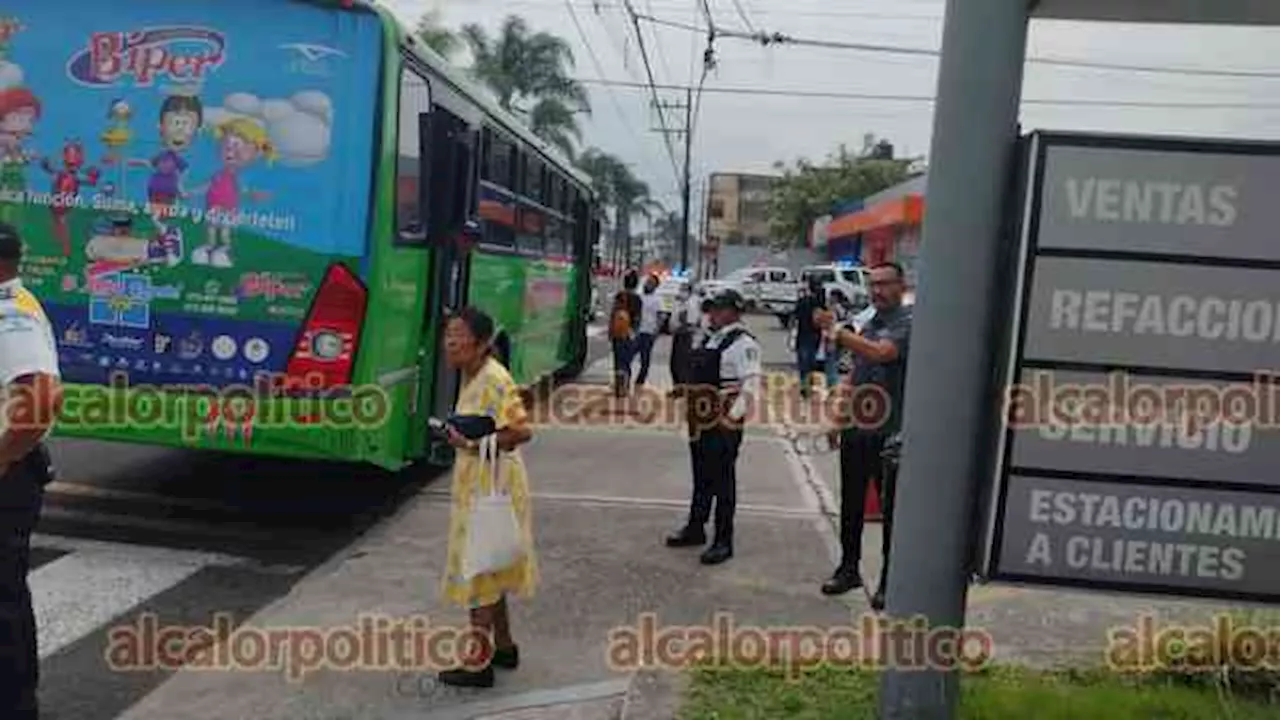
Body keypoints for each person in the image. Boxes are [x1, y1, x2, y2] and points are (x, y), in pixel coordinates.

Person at [437, 306, 538, 688]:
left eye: (458, 335)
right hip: (479, 483)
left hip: (492, 485)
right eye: (448, 334)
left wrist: (475, 443)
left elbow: (522, 431)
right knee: (490, 566)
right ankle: (505, 646)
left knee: (478, 569)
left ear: (480, 344)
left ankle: (477, 664)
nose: (450, 342)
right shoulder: (470, 375)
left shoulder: (495, 379)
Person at [816, 262, 912, 609]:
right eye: (873, 285)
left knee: (892, 512)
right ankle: (848, 568)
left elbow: (882, 354)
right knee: (852, 505)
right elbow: (855, 374)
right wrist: (839, 418)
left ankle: (891, 579)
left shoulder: (908, 323)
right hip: (858, 429)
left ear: (901, 285)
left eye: (885, 284)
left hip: (891, 435)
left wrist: (838, 332)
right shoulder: (870, 324)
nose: (877, 291)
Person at [0, 222, 62, 719]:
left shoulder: (9, 317)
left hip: (9, 475)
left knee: (2, 601)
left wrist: (1, 457)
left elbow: (41, 399)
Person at [666, 289, 761, 565]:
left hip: (723, 421)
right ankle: (696, 527)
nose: (713, 314)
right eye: (711, 310)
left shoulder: (743, 344)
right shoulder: (710, 338)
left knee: (723, 482)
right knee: (701, 477)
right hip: (700, 419)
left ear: (734, 311)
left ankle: (723, 540)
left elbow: (751, 385)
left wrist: (733, 418)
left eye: (719, 309)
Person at [793, 276, 827, 398]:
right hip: (814, 335)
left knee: (803, 363)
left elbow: (795, 316)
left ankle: (804, 386)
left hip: (803, 334)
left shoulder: (803, 301)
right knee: (811, 361)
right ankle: (808, 385)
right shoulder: (820, 302)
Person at [609, 271, 643, 397]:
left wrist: (611, 332)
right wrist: (634, 331)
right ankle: (625, 387)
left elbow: (613, 314)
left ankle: (618, 387)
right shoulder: (638, 299)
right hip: (630, 333)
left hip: (618, 333)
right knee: (627, 361)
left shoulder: (619, 296)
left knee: (618, 361)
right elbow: (638, 318)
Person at [634, 274, 662, 386]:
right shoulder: (639, 296)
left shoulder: (657, 300)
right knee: (629, 354)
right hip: (637, 331)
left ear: (655, 286)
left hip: (648, 332)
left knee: (645, 358)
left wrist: (656, 332)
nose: (647, 284)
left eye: (651, 283)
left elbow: (660, 317)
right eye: (647, 281)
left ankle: (640, 381)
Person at [669, 282, 695, 386]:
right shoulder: (678, 303)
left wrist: (679, 328)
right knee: (674, 364)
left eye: (684, 290)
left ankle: (681, 386)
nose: (681, 292)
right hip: (676, 336)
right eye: (681, 289)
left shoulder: (690, 305)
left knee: (681, 364)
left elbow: (689, 324)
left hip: (684, 337)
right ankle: (676, 385)